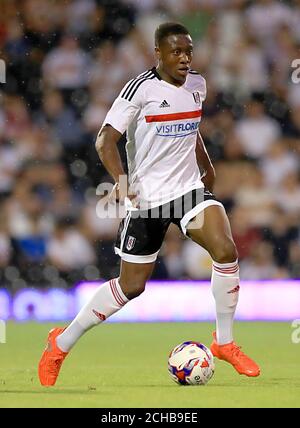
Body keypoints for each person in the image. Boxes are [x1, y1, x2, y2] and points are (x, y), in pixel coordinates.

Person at [38, 22, 260, 386]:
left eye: (189, 51)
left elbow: (191, 128)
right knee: (131, 287)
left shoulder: (198, 85)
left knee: (225, 249)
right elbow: (105, 140)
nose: (185, 58)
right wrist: (122, 182)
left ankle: (224, 342)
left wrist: (206, 165)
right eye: (176, 52)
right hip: (147, 199)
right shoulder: (138, 90)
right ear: (158, 53)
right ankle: (60, 343)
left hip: (188, 190)